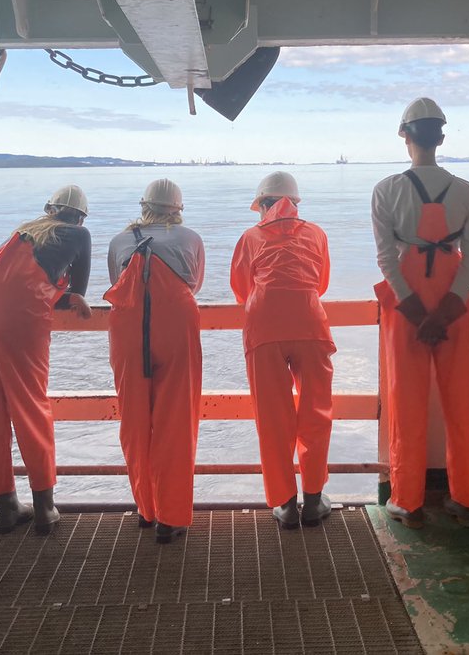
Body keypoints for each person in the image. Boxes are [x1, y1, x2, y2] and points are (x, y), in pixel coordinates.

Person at [372, 98, 469, 530]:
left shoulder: (386, 189)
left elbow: (385, 257)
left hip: (407, 300)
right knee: (460, 399)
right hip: (454, 297)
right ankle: (468, 498)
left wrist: (417, 311)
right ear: (440, 137)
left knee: (407, 400)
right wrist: (448, 308)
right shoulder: (465, 190)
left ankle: (407, 500)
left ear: (405, 136)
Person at [0, 185, 93, 535]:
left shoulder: (25, 230)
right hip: (16, 309)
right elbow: (76, 291)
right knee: (30, 404)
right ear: (80, 216)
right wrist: (73, 300)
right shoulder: (78, 234)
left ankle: (5, 508)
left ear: (49, 209)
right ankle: (45, 509)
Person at [230, 171, 336, 529]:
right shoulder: (316, 233)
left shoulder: (250, 237)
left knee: (273, 420)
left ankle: (285, 505)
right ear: (295, 204)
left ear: (262, 205)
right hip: (310, 324)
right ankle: (315, 501)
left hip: (264, 330)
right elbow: (320, 284)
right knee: (316, 414)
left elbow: (242, 289)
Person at [105, 179, 205, 544]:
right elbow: (193, 282)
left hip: (127, 329)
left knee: (134, 421)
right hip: (176, 325)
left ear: (143, 204)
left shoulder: (118, 240)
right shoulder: (190, 238)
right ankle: (171, 517)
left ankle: (146, 510)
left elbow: (116, 282)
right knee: (175, 422)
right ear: (177, 209)